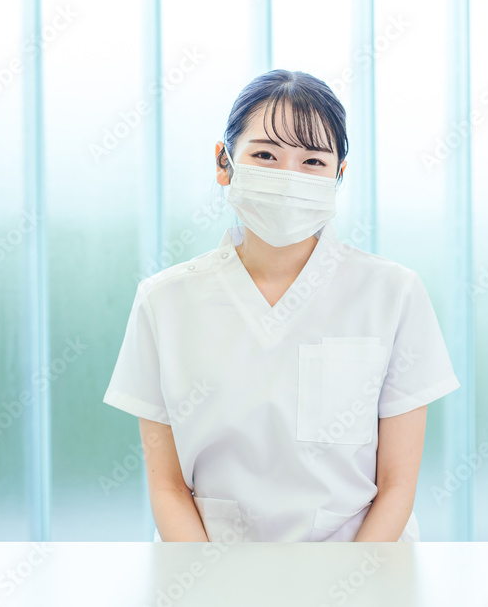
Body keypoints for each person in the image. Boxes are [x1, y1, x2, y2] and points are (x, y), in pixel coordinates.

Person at [102, 69, 461, 542]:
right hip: (209, 568)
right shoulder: (164, 302)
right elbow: (167, 487)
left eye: (312, 161)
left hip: (361, 567)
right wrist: (206, 577)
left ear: (338, 175)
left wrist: (353, 580)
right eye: (266, 155)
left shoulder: (394, 294)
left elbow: (397, 487)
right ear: (224, 162)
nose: (288, 178)